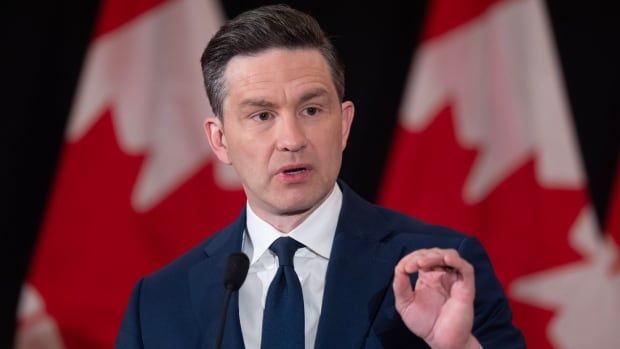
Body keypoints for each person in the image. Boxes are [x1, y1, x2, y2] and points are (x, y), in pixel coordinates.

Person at [116, 4, 525, 349]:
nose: (292, 139)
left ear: (343, 124)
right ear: (219, 140)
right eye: (262, 116)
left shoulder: (439, 271)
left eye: (311, 110)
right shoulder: (157, 304)